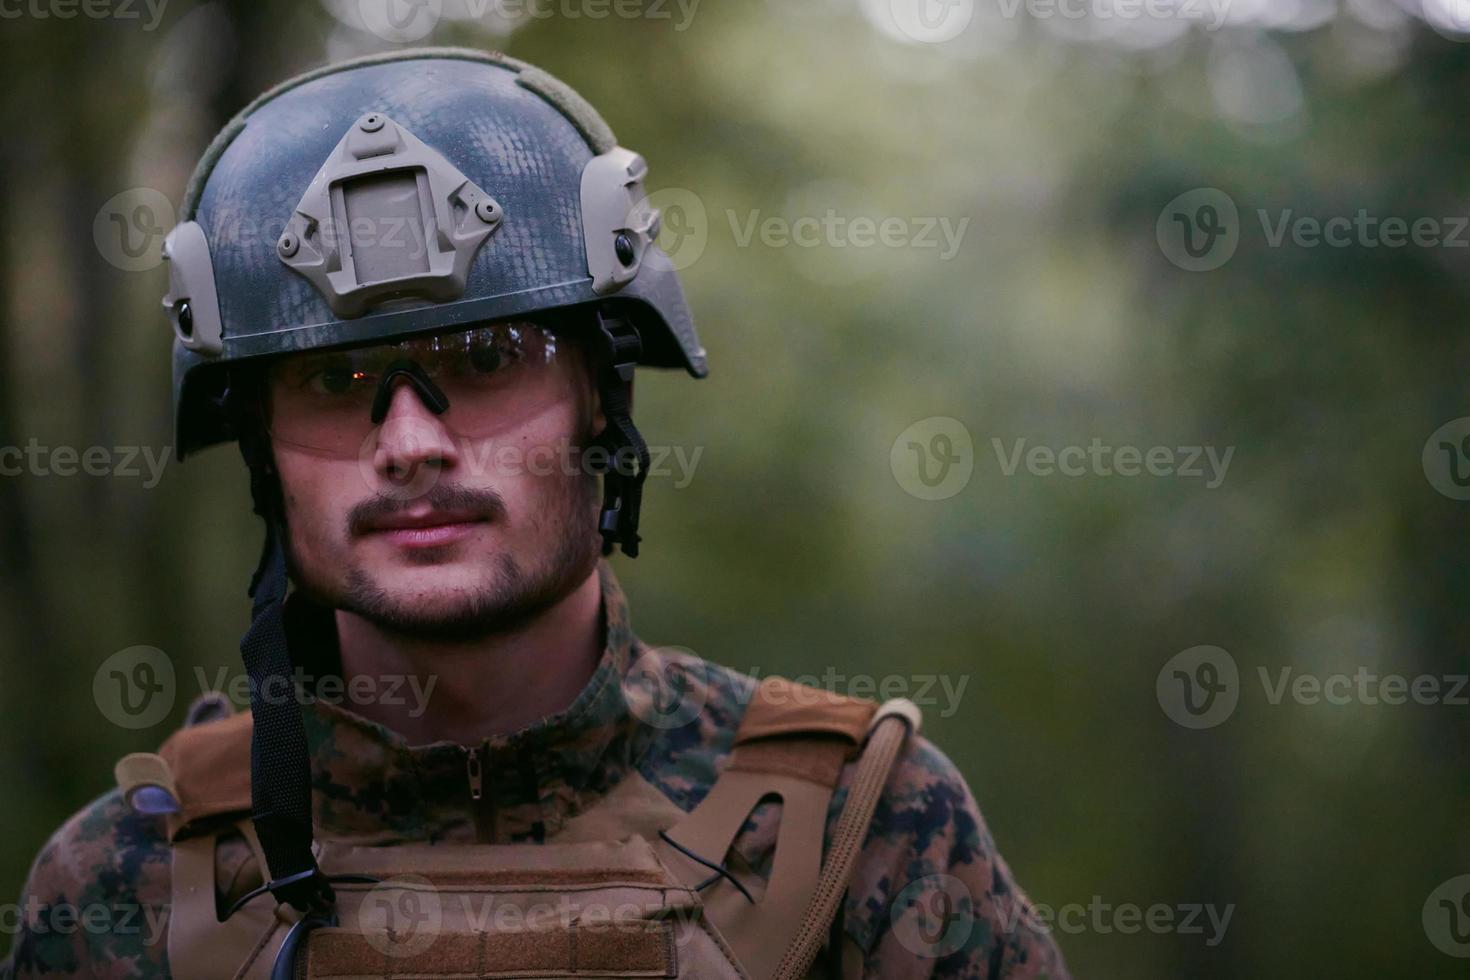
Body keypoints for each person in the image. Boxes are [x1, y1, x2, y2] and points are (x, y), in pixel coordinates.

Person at [2, 48, 1068, 979]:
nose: (412, 443)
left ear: (602, 398)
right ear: (261, 450)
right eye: (334, 381)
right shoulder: (124, 878)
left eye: (485, 359)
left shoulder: (861, 828)